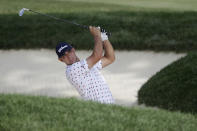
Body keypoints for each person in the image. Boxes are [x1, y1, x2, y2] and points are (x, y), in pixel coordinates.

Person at [56, 26, 115, 104]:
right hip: (98, 109)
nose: (69, 56)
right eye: (64, 56)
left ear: (73, 50)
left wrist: (104, 38)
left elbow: (110, 58)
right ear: (61, 60)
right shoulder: (72, 70)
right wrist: (97, 35)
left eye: (69, 51)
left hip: (110, 105)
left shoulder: (88, 64)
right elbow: (97, 55)